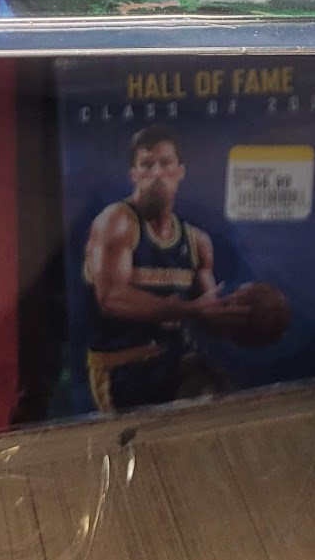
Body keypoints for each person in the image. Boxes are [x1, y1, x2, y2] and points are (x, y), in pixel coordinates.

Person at [82, 127, 238, 414]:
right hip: (123, 365)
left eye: (165, 163)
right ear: (134, 174)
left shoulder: (197, 241)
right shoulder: (116, 222)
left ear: (180, 171)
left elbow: (209, 311)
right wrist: (185, 309)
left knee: (214, 399)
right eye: (147, 165)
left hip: (175, 357)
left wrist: (240, 314)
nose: (157, 173)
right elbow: (112, 298)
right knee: (149, 434)